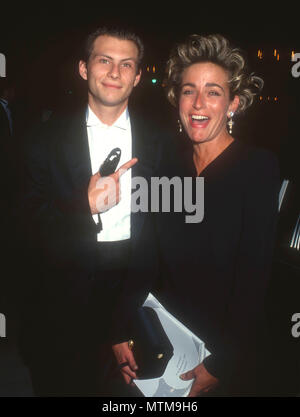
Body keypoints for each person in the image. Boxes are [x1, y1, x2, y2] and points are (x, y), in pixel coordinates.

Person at [19, 26, 166, 396]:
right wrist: (81, 207)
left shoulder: (164, 142)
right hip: (63, 296)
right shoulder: (40, 139)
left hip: (134, 292)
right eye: (105, 61)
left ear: (137, 76)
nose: (115, 73)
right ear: (84, 69)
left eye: (126, 64)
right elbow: (22, 227)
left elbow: (169, 226)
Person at [151, 34, 280, 396]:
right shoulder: (166, 165)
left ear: (233, 104)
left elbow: (254, 276)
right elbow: (152, 260)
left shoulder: (258, 167)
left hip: (227, 353)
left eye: (213, 91)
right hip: (171, 345)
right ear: (177, 100)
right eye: (189, 90)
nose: (198, 102)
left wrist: (223, 360)